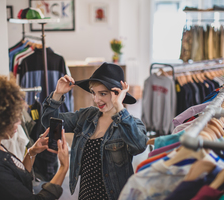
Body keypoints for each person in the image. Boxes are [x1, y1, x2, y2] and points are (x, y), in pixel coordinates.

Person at [41, 62, 148, 200]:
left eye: (102, 94)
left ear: (118, 93)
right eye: (93, 93)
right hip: (86, 195)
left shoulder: (130, 124)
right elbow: (50, 123)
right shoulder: (86, 116)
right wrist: (57, 94)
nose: (96, 99)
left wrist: (119, 107)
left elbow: (139, 146)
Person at [0, 73, 69, 200]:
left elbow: (16, 179)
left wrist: (32, 152)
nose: (19, 122)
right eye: (14, 118)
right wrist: (64, 167)